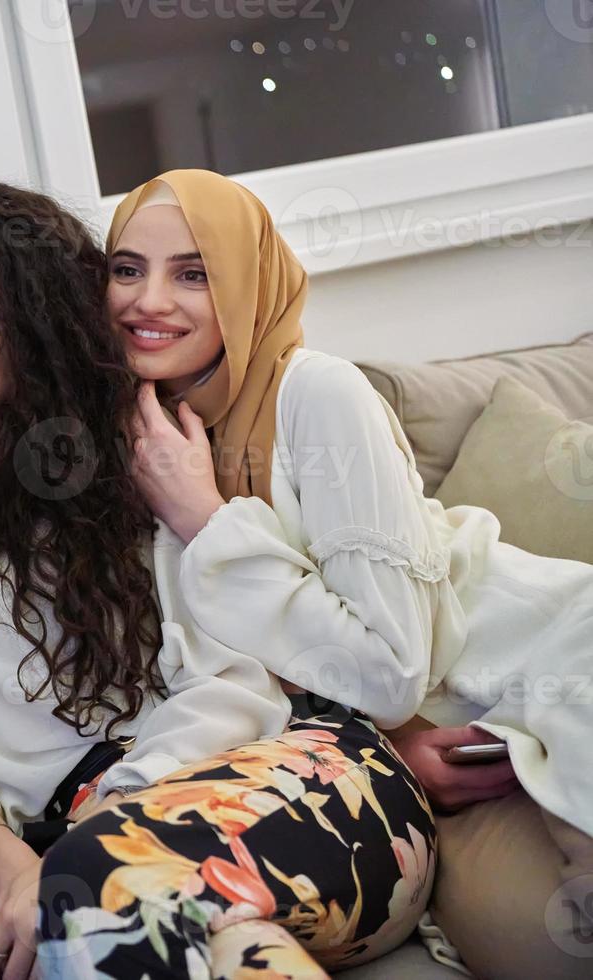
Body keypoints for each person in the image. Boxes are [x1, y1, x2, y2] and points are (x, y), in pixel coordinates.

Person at [0, 184, 423, 980]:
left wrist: (89, 840)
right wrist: (4, 860)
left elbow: (232, 687)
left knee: (96, 906)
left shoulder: (127, 465)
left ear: (42, 337)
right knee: (207, 950)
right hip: (121, 863)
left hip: (290, 783)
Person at [42, 169, 592, 977]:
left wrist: (208, 519)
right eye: (127, 269)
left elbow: (391, 665)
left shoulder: (319, 396)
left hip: (544, 659)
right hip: (424, 747)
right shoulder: (138, 432)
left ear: (248, 280)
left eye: (194, 273)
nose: (147, 300)